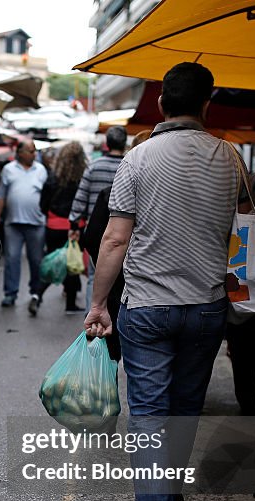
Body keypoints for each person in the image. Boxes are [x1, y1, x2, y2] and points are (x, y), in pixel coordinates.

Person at [84, 62, 252, 501]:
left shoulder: (138, 159)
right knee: (182, 413)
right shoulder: (231, 158)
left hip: (149, 308)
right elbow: (244, 234)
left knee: (150, 419)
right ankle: (168, 494)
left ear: (161, 103)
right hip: (206, 309)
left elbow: (114, 238)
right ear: (208, 103)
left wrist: (96, 305)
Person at [80, 130, 151, 360]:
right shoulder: (174, 196)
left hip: (118, 286)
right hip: (166, 292)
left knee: (114, 353)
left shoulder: (111, 192)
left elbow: (95, 238)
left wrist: (106, 268)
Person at [70, 125, 128, 310]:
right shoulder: (129, 165)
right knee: (121, 278)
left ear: (106, 144)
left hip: (96, 230)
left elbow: (81, 197)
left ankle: (92, 318)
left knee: (95, 276)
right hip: (124, 230)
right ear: (125, 142)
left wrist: (74, 222)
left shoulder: (94, 166)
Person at [0, 139, 48, 311]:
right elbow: (1, 195)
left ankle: (35, 292)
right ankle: (10, 294)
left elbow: (47, 194)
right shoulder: (8, 170)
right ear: (19, 153)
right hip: (13, 223)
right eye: (30, 151)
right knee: (12, 259)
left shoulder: (41, 170)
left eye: (34, 151)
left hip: (36, 223)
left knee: (36, 260)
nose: (34, 154)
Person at [37, 142, 88, 315]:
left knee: (54, 261)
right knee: (72, 264)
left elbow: (42, 204)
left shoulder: (53, 177)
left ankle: (37, 294)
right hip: (75, 228)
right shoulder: (82, 178)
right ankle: (71, 305)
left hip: (53, 226)